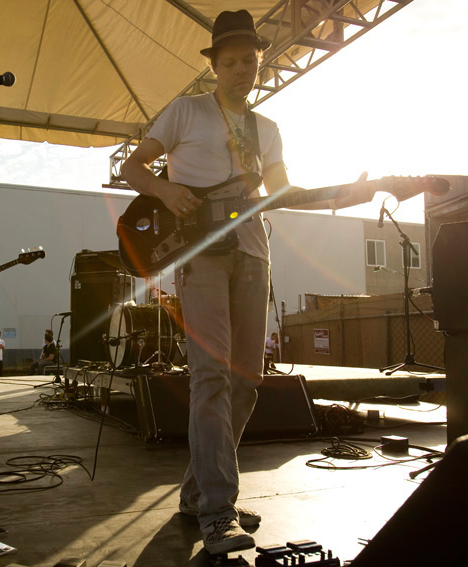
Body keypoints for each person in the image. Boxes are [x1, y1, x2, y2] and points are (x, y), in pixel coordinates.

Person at [120, 9, 374, 555]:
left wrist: (339, 196)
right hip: (202, 259)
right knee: (211, 376)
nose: (242, 70)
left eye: (250, 62)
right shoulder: (186, 112)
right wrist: (166, 192)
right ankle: (218, 511)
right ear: (214, 65)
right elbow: (133, 169)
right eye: (231, 61)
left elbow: (281, 191)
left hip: (254, 255)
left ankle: (198, 493)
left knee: (247, 381)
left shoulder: (269, 130)